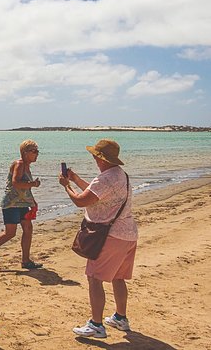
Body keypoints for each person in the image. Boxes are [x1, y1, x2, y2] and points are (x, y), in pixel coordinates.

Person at [58, 139, 138, 339]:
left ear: (101, 158)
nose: (93, 158)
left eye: (95, 155)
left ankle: (96, 325)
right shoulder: (120, 175)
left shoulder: (105, 178)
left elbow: (81, 200)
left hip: (110, 237)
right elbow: (95, 194)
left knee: (94, 278)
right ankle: (120, 318)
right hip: (128, 234)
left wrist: (66, 186)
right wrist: (75, 179)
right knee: (118, 277)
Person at [0, 139, 42, 271]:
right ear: (25, 153)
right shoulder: (19, 164)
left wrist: (32, 201)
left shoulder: (26, 166)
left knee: (28, 229)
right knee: (10, 233)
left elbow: (24, 188)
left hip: (22, 204)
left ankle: (25, 260)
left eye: (37, 151)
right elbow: (16, 183)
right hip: (11, 204)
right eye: (34, 151)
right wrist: (33, 184)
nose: (37, 154)